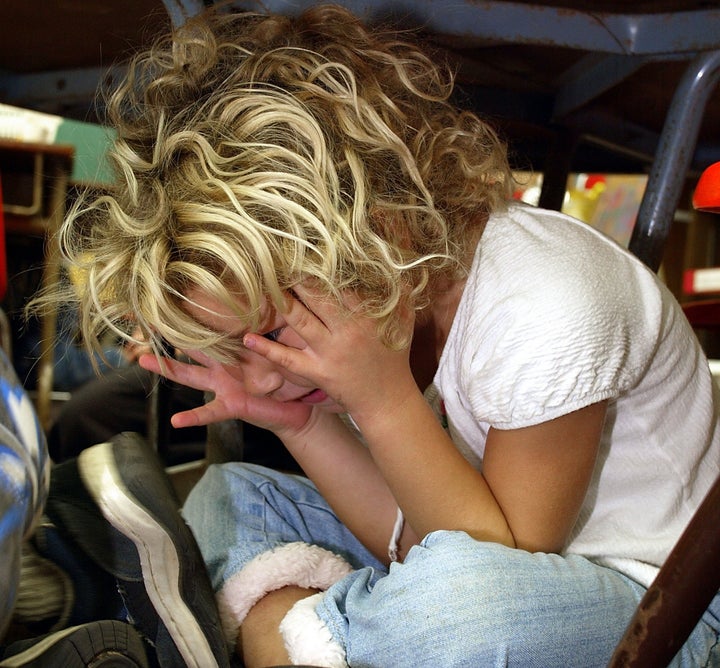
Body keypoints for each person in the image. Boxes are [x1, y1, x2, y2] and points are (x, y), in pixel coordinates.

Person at [40, 4, 720, 666]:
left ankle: (273, 636)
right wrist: (300, 428)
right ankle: (321, 640)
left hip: (666, 610)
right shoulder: (386, 294)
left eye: (273, 331)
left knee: (455, 606)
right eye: (234, 352)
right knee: (235, 495)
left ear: (378, 231)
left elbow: (494, 565)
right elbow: (413, 537)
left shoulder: (549, 302)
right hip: (478, 555)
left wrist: (384, 403)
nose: (264, 374)